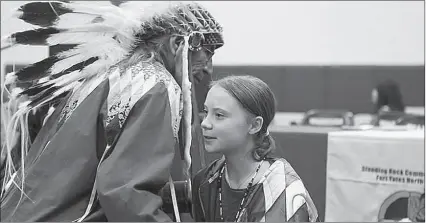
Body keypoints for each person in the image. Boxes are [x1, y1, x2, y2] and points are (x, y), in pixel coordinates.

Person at [1, 1, 223, 221]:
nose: (208, 68)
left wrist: (183, 196)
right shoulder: (155, 84)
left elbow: (89, 180)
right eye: (208, 52)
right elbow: (126, 194)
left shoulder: (102, 78)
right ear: (177, 44)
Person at [192, 75, 319, 222]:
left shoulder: (284, 191)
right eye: (206, 112)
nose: (205, 123)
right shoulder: (205, 181)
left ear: (254, 125)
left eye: (219, 115)